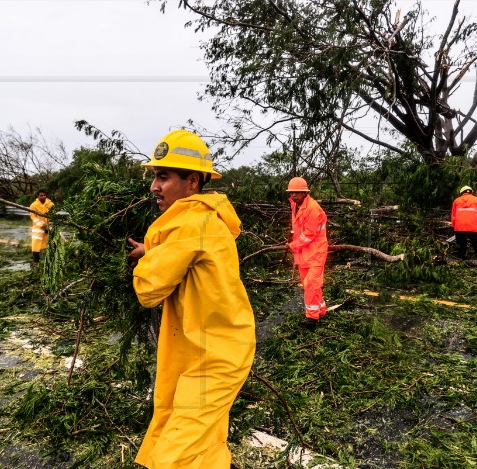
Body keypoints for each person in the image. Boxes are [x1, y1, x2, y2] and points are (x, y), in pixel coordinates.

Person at [126, 129, 256, 468]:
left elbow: (148, 290)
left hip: (214, 359)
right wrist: (154, 248)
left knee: (176, 455)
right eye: (155, 176)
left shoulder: (187, 226)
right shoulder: (204, 221)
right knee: (205, 447)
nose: (154, 186)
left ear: (193, 182)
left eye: (163, 176)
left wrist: (146, 257)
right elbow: (185, 253)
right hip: (212, 349)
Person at [286, 177, 328, 329]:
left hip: (316, 251)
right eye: (292, 193)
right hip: (303, 251)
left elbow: (309, 234)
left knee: (311, 283)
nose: (294, 195)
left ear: (305, 193)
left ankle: (312, 319)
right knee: (308, 284)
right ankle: (321, 309)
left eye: (297, 193)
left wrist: (293, 245)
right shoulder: (295, 205)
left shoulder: (312, 208)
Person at [451, 185, 477, 265]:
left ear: (461, 192)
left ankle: (461, 259)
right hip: (473, 227)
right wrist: (474, 219)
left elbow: (453, 215)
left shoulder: (456, 201)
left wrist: (454, 225)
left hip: (459, 227)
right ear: (471, 192)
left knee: (461, 244)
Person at [29, 190, 54, 263]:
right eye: (41, 195)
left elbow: (53, 215)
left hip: (49, 225)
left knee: (53, 241)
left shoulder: (51, 204)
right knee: (36, 243)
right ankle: (36, 260)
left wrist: (49, 225)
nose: (43, 197)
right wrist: (41, 225)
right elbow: (33, 217)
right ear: (38, 196)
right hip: (38, 227)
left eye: (44, 195)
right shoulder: (33, 205)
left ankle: (53, 259)